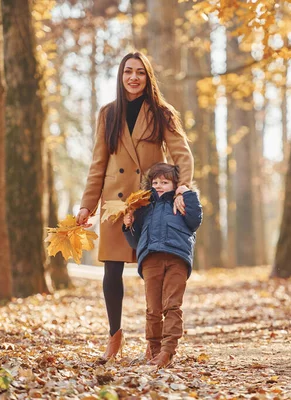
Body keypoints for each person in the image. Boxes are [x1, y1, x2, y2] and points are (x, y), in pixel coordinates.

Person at [76, 52, 194, 360]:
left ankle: (155, 343)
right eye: (128, 71)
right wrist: (87, 205)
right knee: (111, 272)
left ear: (148, 77)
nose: (133, 77)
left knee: (153, 273)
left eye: (140, 72)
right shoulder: (108, 114)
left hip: (150, 203)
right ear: (120, 75)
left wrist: (181, 187)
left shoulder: (162, 112)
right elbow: (98, 164)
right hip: (115, 205)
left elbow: (182, 153)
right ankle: (114, 338)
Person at [123, 163, 202, 367]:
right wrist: (128, 225)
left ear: (174, 184)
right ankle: (155, 350)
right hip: (151, 259)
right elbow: (135, 240)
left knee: (172, 305)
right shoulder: (144, 206)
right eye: (155, 182)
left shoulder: (181, 202)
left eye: (165, 182)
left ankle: (168, 351)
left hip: (177, 258)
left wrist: (186, 193)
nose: (159, 186)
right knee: (153, 309)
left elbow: (195, 220)